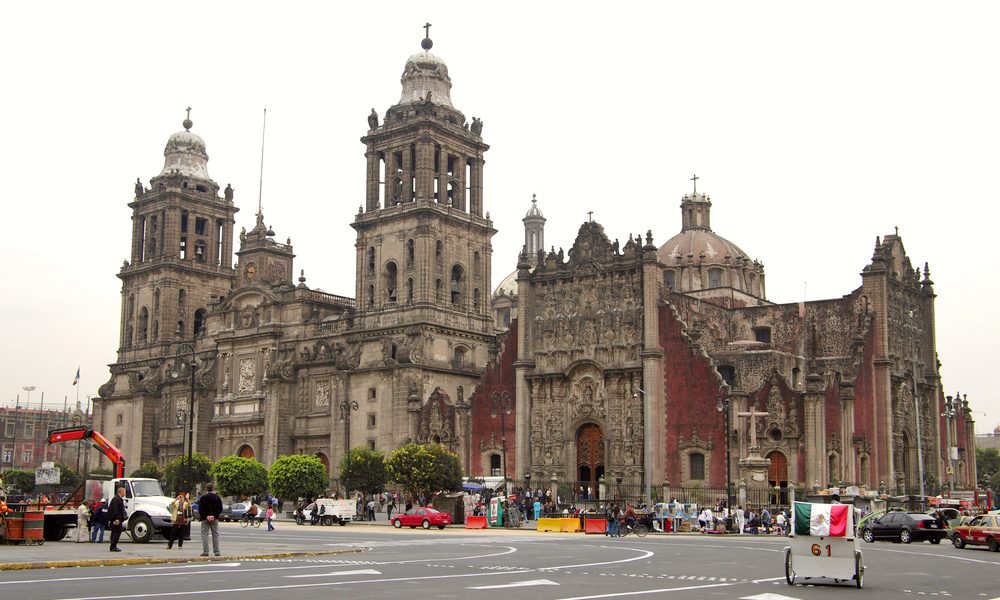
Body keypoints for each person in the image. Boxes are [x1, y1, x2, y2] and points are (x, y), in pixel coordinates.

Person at [198, 483, 223, 557]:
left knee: (204, 535)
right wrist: (214, 516)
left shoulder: (203, 498)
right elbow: (220, 509)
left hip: (205, 519)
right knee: (215, 534)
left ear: (206, 489)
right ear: (213, 488)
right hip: (214, 519)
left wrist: (206, 516)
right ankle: (216, 551)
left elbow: (200, 509)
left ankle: (206, 551)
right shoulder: (217, 498)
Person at [107, 486, 127, 552]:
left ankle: (114, 546)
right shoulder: (116, 499)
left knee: (116, 533)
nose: (125, 493)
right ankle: (113, 546)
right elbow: (115, 509)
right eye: (124, 492)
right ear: (121, 492)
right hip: (116, 519)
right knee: (116, 533)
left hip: (118, 519)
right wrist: (117, 518)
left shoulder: (118, 499)